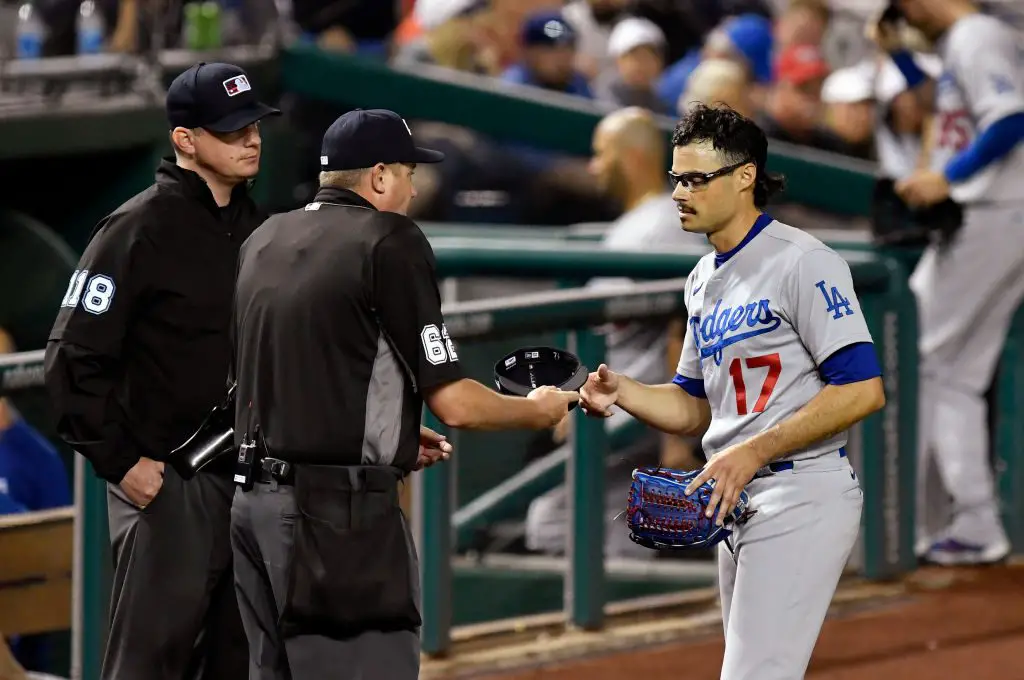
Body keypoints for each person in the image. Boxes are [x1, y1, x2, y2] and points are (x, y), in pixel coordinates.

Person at [229, 108, 579, 680]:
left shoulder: (266, 235)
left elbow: (275, 370)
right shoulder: (389, 239)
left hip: (251, 508)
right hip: (333, 519)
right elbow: (457, 403)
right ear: (380, 177)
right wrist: (535, 410)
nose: (416, 188)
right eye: (410, 173)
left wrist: (383, 432)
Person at [578, 103, 886, 680]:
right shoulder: (702, 278)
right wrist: (625, 391)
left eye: (697, 179)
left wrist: (754, 450)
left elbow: (863, 390)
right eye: (676, 178)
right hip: (735, 498)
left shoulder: (804, 262)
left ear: (746, 176)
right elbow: (693, 406)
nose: (679, 193)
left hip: (801, 492)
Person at [43, 62, 279, 680]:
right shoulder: (134, 230)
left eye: (254, 125)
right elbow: (71, 358)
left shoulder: (263, 231)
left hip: (251, 478)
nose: (250, 139)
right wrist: (122, 463)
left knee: (239, 659)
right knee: (149, 664)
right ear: (185, 139)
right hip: (171, 477)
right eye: (231, 130)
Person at [876, 0, 1024, 565]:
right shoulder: (971, 39)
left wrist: (947, 176)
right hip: (1000, 215)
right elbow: (952, 95)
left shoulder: (977, 33)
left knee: (912, 355)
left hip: (989, 212)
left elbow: (1009, 118)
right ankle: (974, 522)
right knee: (956, 376)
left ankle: (903, 519)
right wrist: (903, 62)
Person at [525, 107, 708, 558]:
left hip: (637, 408)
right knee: (595, 525)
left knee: (553, 522)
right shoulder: (639, 223)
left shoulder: (665, 227)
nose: (593, 166)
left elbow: (683, 324)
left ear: (631, 157)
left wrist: (675, 439)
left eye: (601, 154)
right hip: (616, 402)